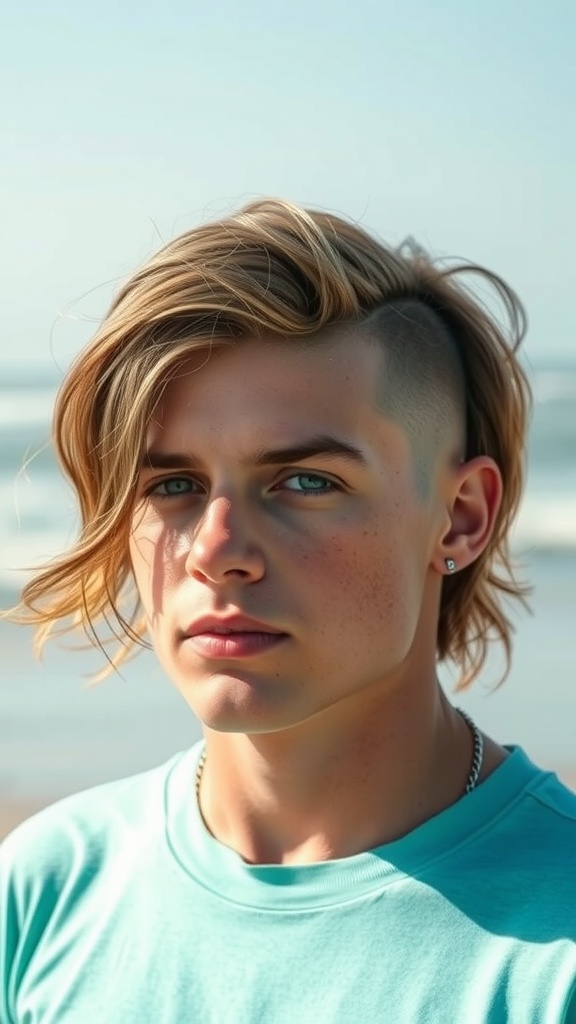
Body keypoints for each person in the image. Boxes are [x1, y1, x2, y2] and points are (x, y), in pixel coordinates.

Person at [1, 198, 575, 1024]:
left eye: (306, 481)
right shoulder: (48, 893)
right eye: (173, 486)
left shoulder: (556, 943)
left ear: (459, 516)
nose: (217, 548)